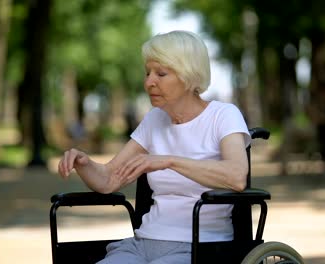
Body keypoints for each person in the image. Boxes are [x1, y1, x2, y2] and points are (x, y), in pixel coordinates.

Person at [58, 30, 251, 264]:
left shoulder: (223, 115)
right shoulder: (154, 120)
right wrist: (85, 164)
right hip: (142, 244)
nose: (149, 82)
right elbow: (109, 179)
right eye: (147, 73)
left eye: (161, 73)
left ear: (188, 75)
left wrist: (169, 161)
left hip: (200, 249)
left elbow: (237, 176)